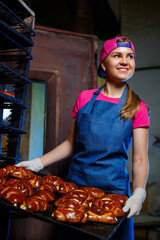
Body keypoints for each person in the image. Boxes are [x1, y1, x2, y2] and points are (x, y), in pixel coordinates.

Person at [17, 36, 150, 240]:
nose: (125, 61)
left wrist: (139, 193)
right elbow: (70, 144)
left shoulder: (137, 106)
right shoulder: (85, 98)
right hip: (76, 189)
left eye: (130, 56)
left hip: (114, 194)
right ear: (103, 64)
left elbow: (140, 158)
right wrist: (37, 163)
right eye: (117, 55)